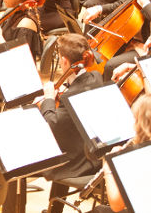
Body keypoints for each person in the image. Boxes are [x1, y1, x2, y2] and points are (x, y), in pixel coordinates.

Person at [36, 34, 103, 213]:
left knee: (16, 165)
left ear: (65, 61)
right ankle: (54, 209)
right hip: (93, 155)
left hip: (77, 162)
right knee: (64, 142)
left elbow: (51, 123)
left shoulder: (69, 97)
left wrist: (48, 100)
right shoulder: (96, 77)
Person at [93, 93, 151, 213]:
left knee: (99, 210)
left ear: (140, 125)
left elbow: (116, 205)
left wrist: (109, 167)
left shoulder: (140, 156)